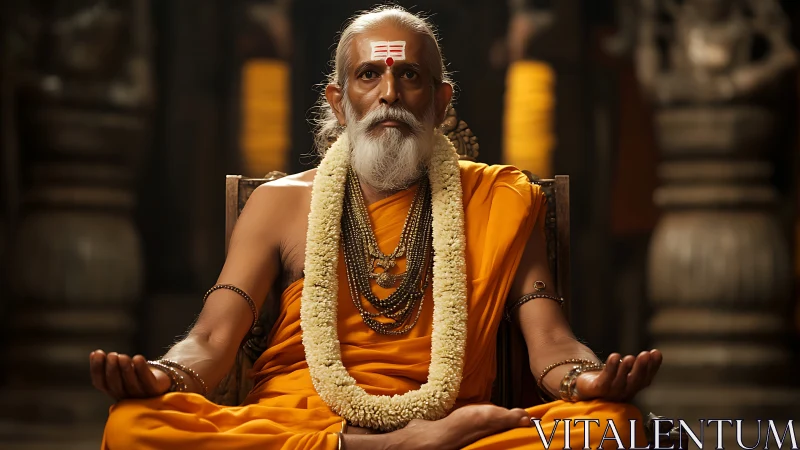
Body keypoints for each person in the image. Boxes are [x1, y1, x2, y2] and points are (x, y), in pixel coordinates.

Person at [92, 6, 662, 449]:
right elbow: (213, 340)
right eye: (370, 75)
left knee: (617, 424)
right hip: (305, 424)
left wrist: (584, 381)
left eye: (409, 75)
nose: (390, 94)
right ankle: (379, 447)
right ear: (340, 102)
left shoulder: (502, 199)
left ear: (440, 102)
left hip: (453, 424)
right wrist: (164, 375)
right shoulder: (278, 203)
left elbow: (552, 342)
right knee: (134, 424)